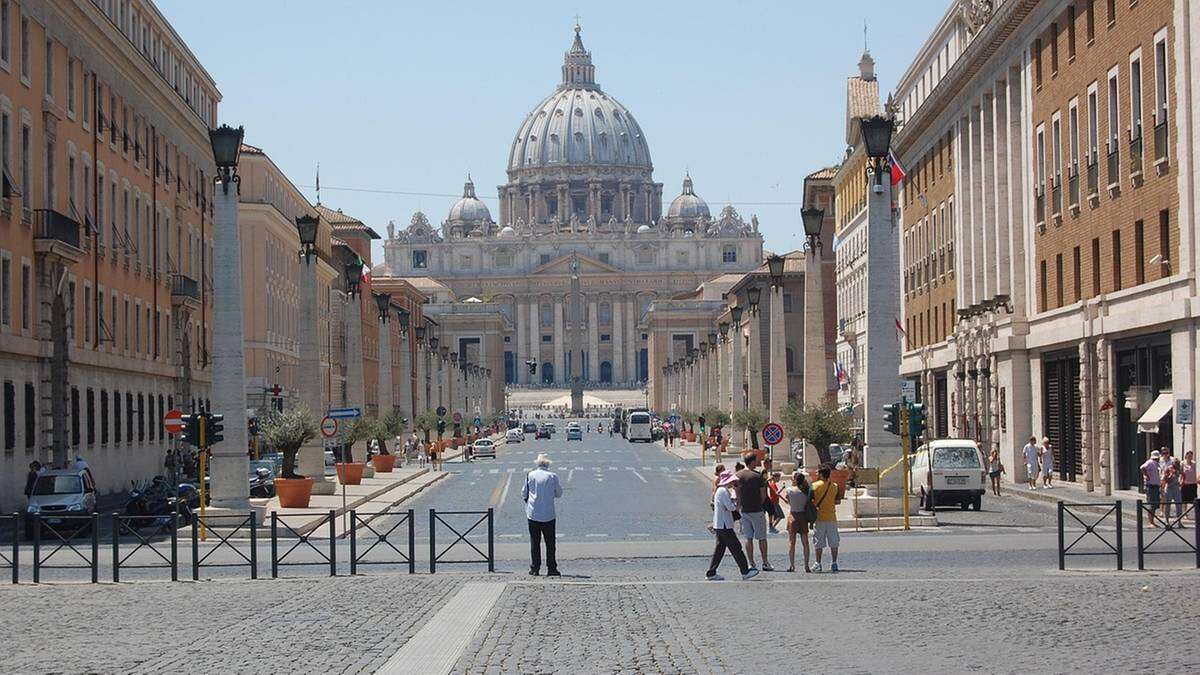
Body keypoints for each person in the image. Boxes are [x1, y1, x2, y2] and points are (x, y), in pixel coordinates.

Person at [706, 470, 758, 581]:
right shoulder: (723, 491)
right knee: (736, 548)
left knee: (720, 550)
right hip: (725, 525)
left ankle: (711, 572)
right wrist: (737, 499)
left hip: (721, 525)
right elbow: (731, 507)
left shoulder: (721, 491)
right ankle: (745, 571)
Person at [523, 453, 563, 576]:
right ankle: (551, 568)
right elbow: (559, 493)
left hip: (533, 513)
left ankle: (535, 568)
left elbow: (524, 493)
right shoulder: (552, 476)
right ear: (547, 464)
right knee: (550, 543)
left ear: (537, 464)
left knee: (535, 542)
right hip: (548, 514)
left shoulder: (530, 475)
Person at [735, 452, 772, 571]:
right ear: (752, 461)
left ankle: (751, 563)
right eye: (756, 460)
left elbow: (736, 493)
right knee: (762, 538)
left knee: (748, 538)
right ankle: (765, 562)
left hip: (744, 511)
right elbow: (763, 495)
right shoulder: (757, 476)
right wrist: (759, 504)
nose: (758, 462)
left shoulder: (738, 475)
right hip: (757, 510)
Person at [810, 464, 842, 573]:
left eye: (818, 472)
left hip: (819, 517)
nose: (817, 474)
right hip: (832, 517)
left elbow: (810, 501)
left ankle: (818, 563)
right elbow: (837, 501)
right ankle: (834, 563)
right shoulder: (835, 486)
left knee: (818, 542)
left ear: (822, 474)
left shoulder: (814, 486)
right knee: (834, 542)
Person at [780, 471, 812, 573]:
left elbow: (788, 501)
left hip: (793, 515)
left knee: (791, 543)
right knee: (805, 543)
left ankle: (792, 565)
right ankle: (806, 566)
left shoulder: (789, 490)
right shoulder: (806, 491)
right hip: (803, 515)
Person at [1160, 447, 1183, 524]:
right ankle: (1167, 521)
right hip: (1169, 487)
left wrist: (1181, 482)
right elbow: (1164, 478)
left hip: (1176, 487)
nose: (1176, 464)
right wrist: (1169, 476)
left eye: (1178, 463)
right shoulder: (1168, 468)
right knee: (1167, 504)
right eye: (1176, 463)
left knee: (1179, 504)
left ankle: (1179, 521)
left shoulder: (1177, 468)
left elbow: (1183, 474)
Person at [1141, 450, 1162, 527]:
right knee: (1151, 504)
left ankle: (1152, 521)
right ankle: (1151, 522)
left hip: (1155, 486)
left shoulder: (1156, 464)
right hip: (1151, 486)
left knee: (1155, 504)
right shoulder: (1150, 462)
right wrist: (1147, 476)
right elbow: (1142, 468)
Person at [1181, 450, 1196, 523]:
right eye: (1189, 455)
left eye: (1191, 456)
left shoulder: (1194, 464)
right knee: (1184, 500)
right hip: (1185, 484)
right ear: (1186, 456)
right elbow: (1180, 472)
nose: (1190, 457)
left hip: (1193, 483)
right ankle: (1185, 514)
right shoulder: (1182, 463)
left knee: (1194, 499)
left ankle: (1196, 514)